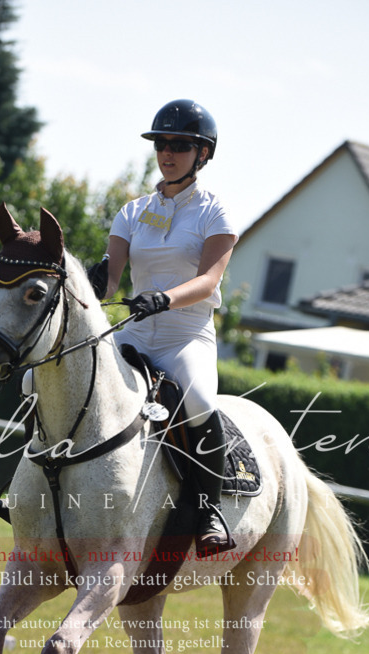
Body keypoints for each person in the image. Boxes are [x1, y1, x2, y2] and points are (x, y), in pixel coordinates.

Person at [89, 99, 238, 557]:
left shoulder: (216, 213)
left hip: (184, 335)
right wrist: (95, 281)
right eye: (161, 144)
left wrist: (165, 298)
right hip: (134, 330)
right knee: (59, 374)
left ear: (203, 154)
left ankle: (208, 507)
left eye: (179, 145)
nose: (167, 153)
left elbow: (210, 280)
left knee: (197, 400)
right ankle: (28, 481)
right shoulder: (132, 212)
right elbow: (113, 278)